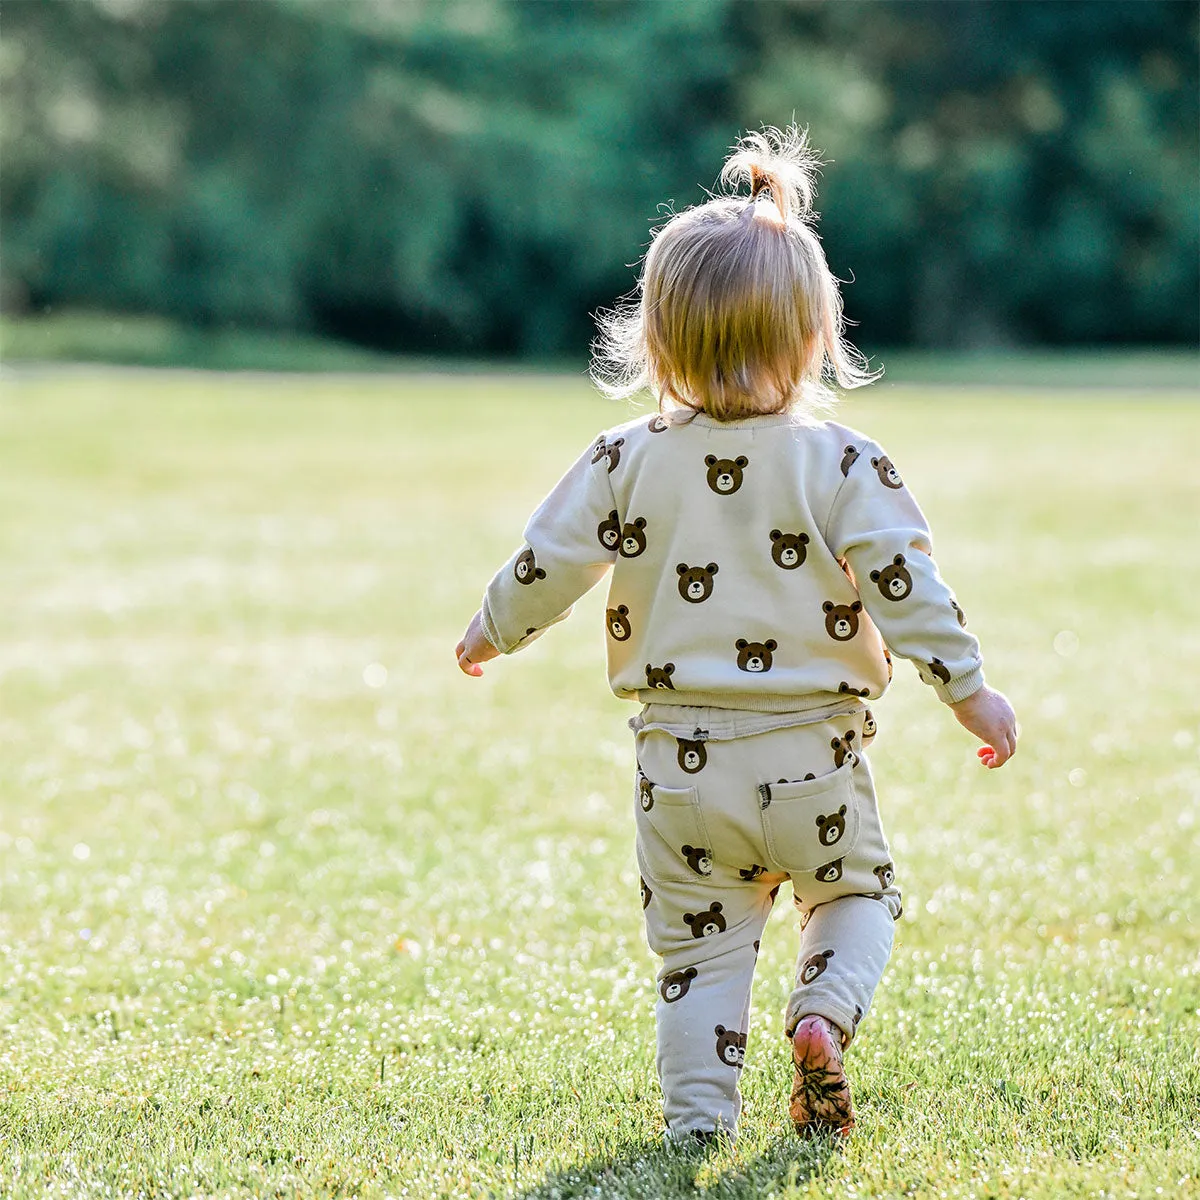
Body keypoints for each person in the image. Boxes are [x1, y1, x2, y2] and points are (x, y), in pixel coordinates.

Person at [454, 127, 1018, 1143]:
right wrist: (969, 690)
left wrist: (493, 631)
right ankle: (821, 1013)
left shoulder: (624, 458)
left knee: (698, 957)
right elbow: (906, 587)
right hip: (814, 755)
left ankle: (699, 1123)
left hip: (678, 766)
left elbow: (551, 561)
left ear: (657, 339)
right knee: (857, 898)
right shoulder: (842, 462)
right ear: (814, 337)